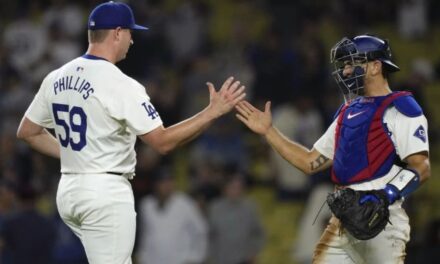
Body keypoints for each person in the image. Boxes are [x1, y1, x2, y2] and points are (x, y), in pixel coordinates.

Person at [15, 2, 245, 264]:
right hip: (104, 192)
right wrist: (211, 112)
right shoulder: (120, 84)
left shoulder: (56, 77)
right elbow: (162, 142)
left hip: (68, 191)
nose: (132, 40)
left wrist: (76, 155)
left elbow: (28, 131)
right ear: (116, 33)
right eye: (129, 32)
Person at [235, 34, 430, 263]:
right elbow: (310, 162)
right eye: (345, 65)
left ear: (376, 66)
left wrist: (383, 196)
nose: (346, 72)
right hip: (345, 218)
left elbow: (421, 167)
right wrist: (269, 132)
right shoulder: (348, 112)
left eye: (352, 64)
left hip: (383, 221)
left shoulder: (400, 108)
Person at [136, 167, 208, 264]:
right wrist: (142, 256)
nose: (167, 185)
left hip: (180, 260)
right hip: (152, 260)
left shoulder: (185, 203)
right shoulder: (146, 205)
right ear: (155, 185)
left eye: (170, 181)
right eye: (163, 182)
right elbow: (144, 234)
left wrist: (195, 257)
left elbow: (201, 231)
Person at [208, 171, 265, 264]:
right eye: (233, 188)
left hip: (245, 259)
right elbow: (209, 235)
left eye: (239, 188)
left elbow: (259, 233)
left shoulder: (250, 207)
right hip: (221, 259)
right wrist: (212, 255)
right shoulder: (215, 208)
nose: (236, 191)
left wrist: (254, 252)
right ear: (225, 189)